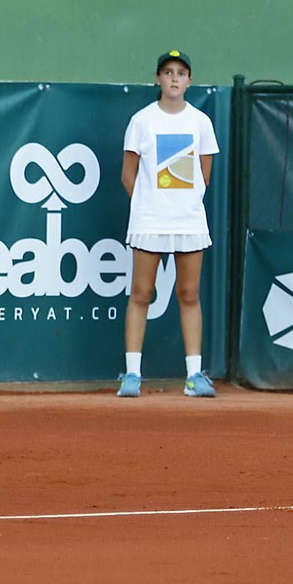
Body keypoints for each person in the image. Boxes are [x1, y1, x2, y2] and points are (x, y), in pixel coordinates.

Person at [118, 51, 220, 399]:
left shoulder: (201, 123)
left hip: (189, 223)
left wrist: (183, 205)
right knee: (142, 293)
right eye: (167, 72)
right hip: (149, 222)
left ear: (189, 81)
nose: (174, 78)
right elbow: (127, 176)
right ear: (158, 79)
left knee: (189, 294)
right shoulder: (141, 121)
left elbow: (204, 175)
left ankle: (194, 377)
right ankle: (132, 375)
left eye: (181, 73)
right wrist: (150, 207)